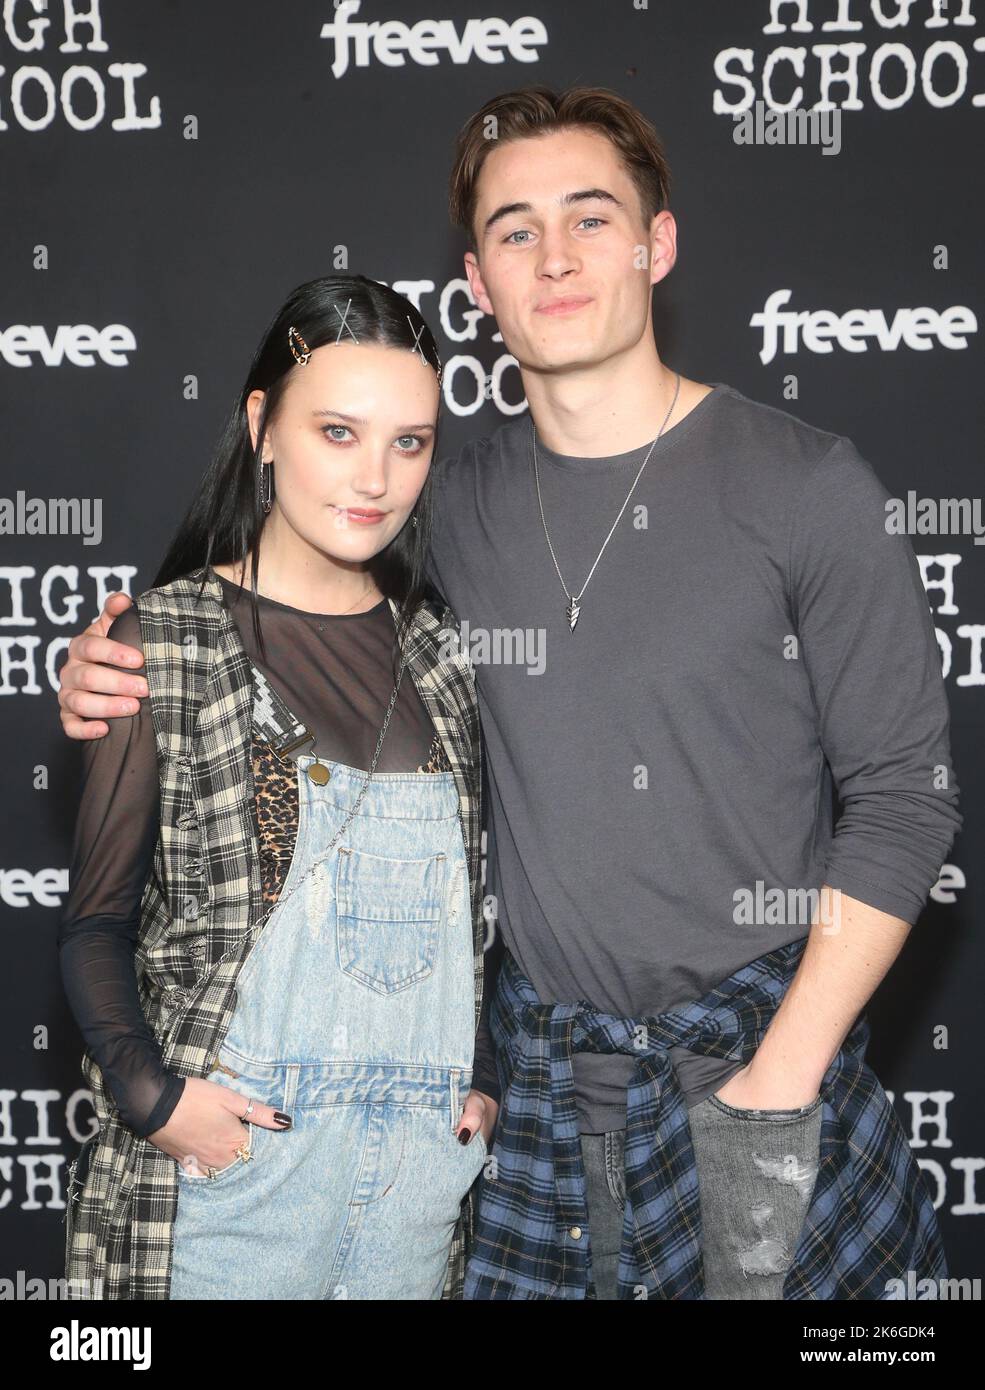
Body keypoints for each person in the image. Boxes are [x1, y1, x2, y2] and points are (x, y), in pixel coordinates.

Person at [58, 86, 961, 1300]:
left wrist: (782, 1078)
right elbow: (273, 600)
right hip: (527, 1105)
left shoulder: (806, 488)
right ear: (476, 284)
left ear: (659, 244)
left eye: (591, 219)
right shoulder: (434, 501)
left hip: (752, 1069)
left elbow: (905, 798)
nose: (555, 256)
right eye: (515, 230)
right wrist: (115, 667)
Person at [57, 273, 499, 1300]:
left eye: (409, 441)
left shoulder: (441, 653)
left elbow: (478, 928)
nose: (376, 477)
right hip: (230, 1194)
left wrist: (484, 1078)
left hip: (413, 1207)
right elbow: (92, 924)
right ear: (262, 425)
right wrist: (156, 1099)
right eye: (337, 432)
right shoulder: (157, 644)